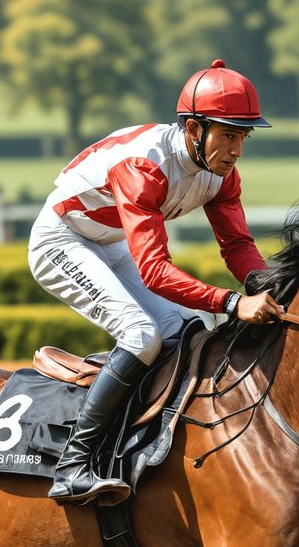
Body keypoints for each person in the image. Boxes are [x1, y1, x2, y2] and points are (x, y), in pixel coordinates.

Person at [28, 59, 285, 505]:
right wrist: (232, 303)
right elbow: (154, 270)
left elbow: (237, 245)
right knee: (142, 335)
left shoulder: (220, 173)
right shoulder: (143, 166)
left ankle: (143, 441)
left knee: (187, 332)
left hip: (112, 241)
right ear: (194, 129)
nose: (238, 150)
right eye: (229, 135)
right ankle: (72, 466)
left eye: (244, 136)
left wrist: (269, 287)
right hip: (62, 239)